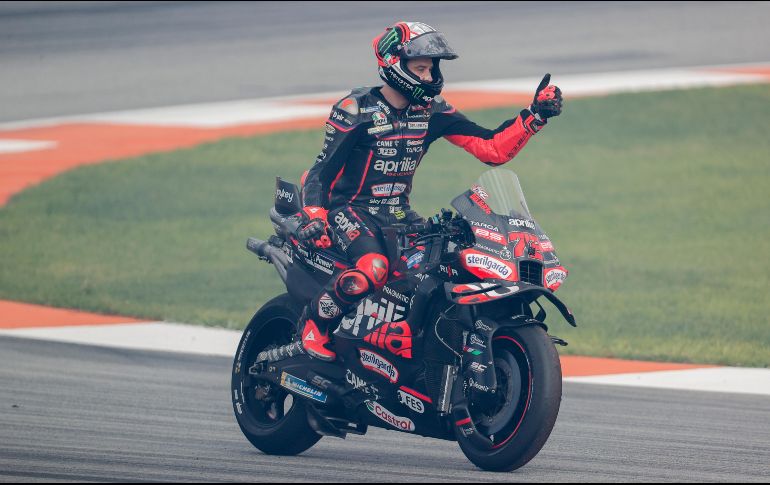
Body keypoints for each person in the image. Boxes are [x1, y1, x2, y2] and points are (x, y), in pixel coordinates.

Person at [296, 21, 563, 361]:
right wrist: (315, 215)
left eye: (431, 68)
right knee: (374, 267)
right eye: (420, 68)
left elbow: (491, 148)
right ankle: (314, 326)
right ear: (394, 64)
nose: (429, 76)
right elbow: (322, 170)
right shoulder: (355, 109)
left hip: (398, 213)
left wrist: (534, 117)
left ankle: (408, 341)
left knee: (442, 265)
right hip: (350, 211)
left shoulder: (433, 111)